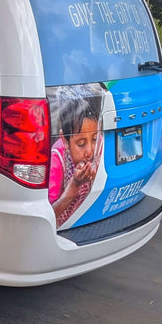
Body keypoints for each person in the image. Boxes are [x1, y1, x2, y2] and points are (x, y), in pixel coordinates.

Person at [48, 87, 104, 228]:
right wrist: (74, 185)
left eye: (94, 139)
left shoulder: (100, 145)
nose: (90, 151)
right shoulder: (57, 159)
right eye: (81, 143)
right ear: (65, 140)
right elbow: (49, 216)